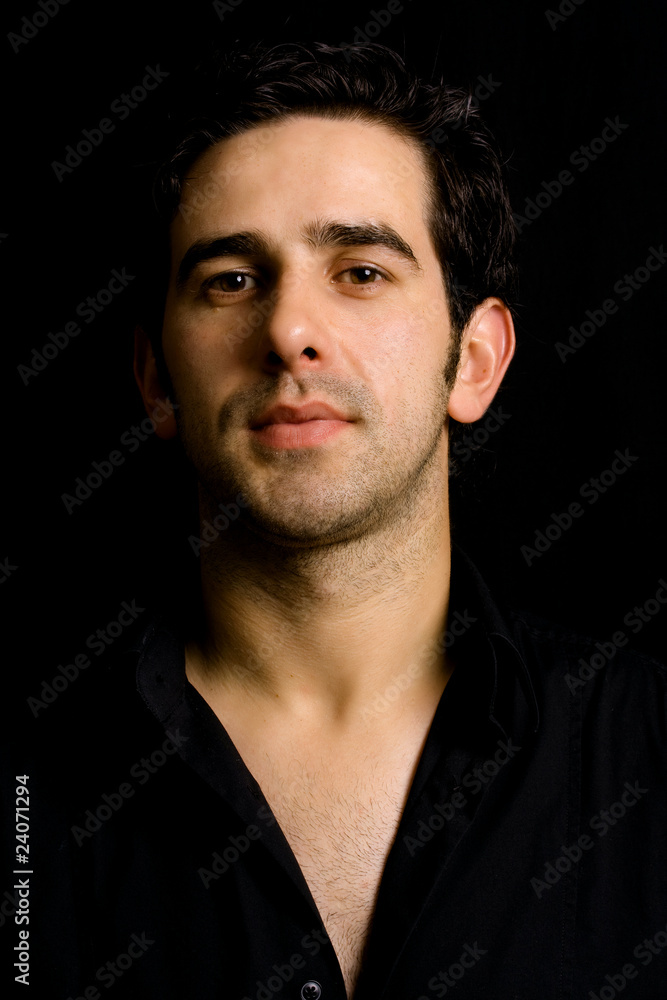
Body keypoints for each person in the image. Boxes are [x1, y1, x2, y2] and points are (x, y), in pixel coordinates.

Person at [6, 41, 665, 1000]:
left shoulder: (648, 757)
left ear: (473, 359)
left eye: (359, 271)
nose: (287, 330)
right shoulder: (26, 790)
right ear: (156, 380)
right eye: (231, 279)